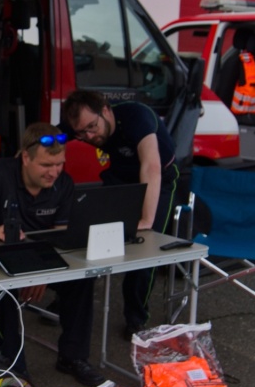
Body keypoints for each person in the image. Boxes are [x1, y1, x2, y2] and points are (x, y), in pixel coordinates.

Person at [0, 123, 100, 387]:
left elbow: (62, 234)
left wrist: (42, 270)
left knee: (83, 279)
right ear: (25, 157)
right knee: (2, 291)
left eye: (59, 164)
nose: (54, 172)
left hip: (41, 259)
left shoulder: (63, 183)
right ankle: (15, 368)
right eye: (46, 165)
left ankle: (73, 357)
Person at [61, 89, 183, 337]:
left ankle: (136, 317)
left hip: (157, 179)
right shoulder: (81, 122)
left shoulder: (137, 117)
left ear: (106, 110)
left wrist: (146, 219)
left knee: (144, 250)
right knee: (87, 235)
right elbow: (51, 134)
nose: (90, 136)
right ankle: (70, 295)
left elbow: (151, 166)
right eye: (82, 133)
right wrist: (28, 149)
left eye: (92, 127)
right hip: (120, 180)